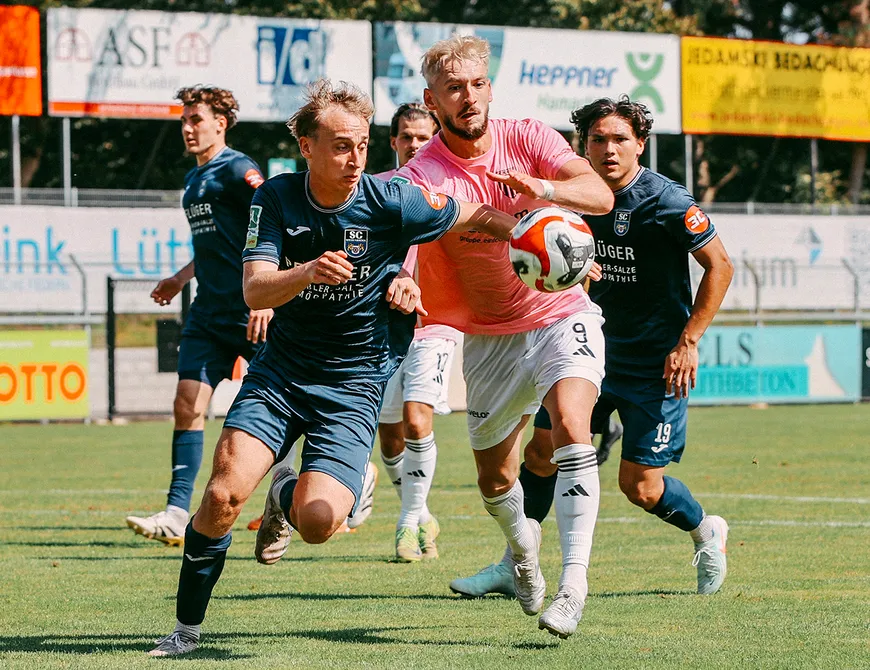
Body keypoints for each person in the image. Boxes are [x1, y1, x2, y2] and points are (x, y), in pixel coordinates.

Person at [148, 79, 523, 657]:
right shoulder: (273, 198)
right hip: (281, 376)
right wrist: (305, 273)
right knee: (222, 497)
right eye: (341, 145)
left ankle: (287, 497)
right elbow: (253, 289)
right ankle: (185, 634)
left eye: (362, 146)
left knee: (320, 523)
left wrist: (536, 235)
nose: (355, 159)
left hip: (353, 385)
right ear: (306, 146)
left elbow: (473, 215)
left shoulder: (390, 199)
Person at [452, 96, 735, 602]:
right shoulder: (568, 202)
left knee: (641, 487)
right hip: (588, 351)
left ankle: (705, 531)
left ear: (640, 145)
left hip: (655, 363)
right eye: (597, 140)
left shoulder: (666, 202)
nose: (608, 149)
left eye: (620, 139)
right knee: (540, 455)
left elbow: (720, 266)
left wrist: (688, 341)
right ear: (582, 145)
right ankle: (514, 564)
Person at [396, 35, 615, 638]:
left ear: (489, 87)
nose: (467, 98)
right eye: (453, 89)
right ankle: (522, 554)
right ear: (432, 99)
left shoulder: (530, 136)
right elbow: (466, 223)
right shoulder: (424, 173)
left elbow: (599, 194)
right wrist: (530, 224)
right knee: (497, 480)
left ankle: (574, 585)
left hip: (559, 311)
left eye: (476, 85)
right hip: (490, 336)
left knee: (572, 424)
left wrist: (544, 191)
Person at [125, 86, 272, 546]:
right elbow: (214, 245)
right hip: (208, 311)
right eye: (184, 120)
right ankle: (174, 512)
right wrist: (180, 277)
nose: (188, 128)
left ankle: (344, 475)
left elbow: (275, 227)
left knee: (289, 406)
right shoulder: (193, 180)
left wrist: (266, 296)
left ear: (220, 123)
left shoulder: (239, 170)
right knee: (187, 404)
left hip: (251, 311)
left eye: (196, 120)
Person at [370, 102, 461, 562]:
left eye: (425, 137)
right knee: (389, 440)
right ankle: (420, 511)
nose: (415, 145)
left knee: (417, 419)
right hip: (384, 329)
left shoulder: (449, 191)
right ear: (393, 141)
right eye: (407, 136)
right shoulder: (376, 189)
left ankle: (406, 526)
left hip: (433, 322)